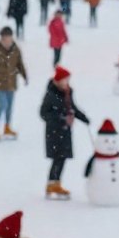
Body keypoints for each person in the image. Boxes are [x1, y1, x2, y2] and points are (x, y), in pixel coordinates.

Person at [39, 66, 89, 200]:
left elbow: (72, 107)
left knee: (62, 158)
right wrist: (60, 118)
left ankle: (56, 183)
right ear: (59, 80)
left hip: (65, 131)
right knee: (58, 157)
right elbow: (43, 113)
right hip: (55, 131)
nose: (67, 82)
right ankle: (52, 184)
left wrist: (82, 117)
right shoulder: (51, 94)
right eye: (65, 79)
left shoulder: (67, 92)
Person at [0, 26, 28, 140]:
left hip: (11, 82)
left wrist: (25, 76)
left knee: (9, 107)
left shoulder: (16, 49)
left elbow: (20, 64)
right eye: (4, 38)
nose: (7, 40)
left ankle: (7, 127)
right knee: (3, 105)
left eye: (8, 38)